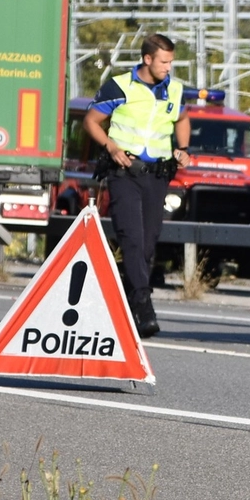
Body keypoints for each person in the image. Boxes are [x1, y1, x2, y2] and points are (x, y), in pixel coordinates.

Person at [82, 33, 190, 338]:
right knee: (131, 237)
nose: (169, 67)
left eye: (171, 61)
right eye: (164, 61)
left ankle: (127, 300)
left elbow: (182, 119)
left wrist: (183, 148)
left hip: (157, 175)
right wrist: (111, 147)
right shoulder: (120, 86)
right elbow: (91, 120)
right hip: (124, 173)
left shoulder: (175, 90)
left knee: (148, 243)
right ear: (147, 59)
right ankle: (144, 305)